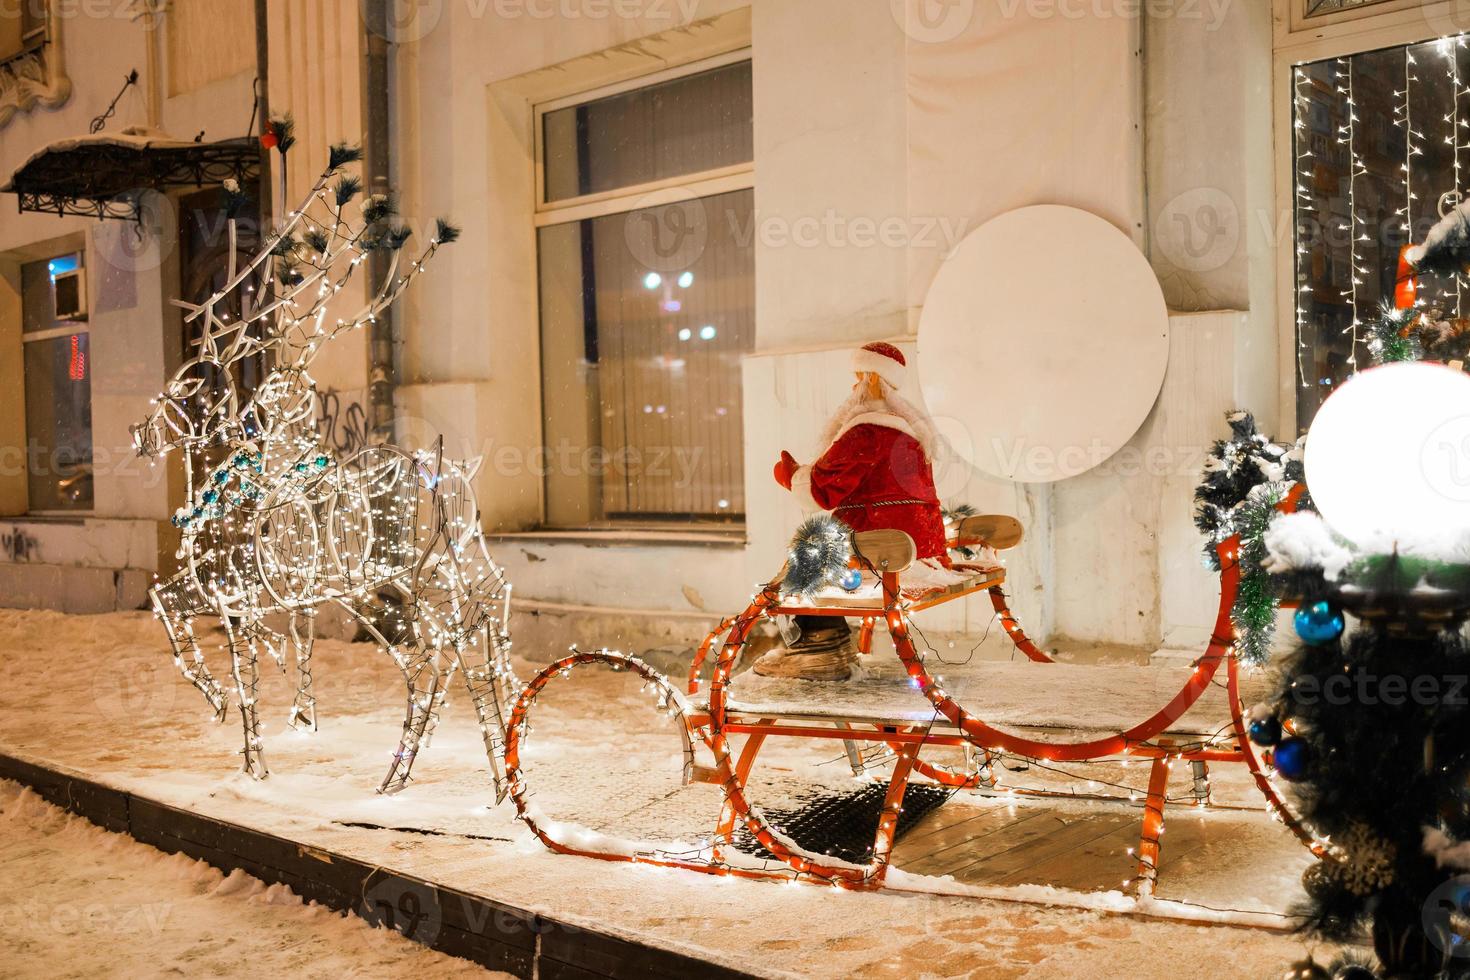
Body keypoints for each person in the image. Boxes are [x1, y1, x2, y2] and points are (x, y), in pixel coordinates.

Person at [756, 342, 959, 681]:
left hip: (881, 549)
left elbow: (820, 491)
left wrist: (790, 474)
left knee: (807, 555)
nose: (853, 388)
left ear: (873, 382)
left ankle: (815, 647)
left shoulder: (866, 431)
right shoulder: (912, 435)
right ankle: (826, 641)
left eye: (858, 378)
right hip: (922, 550)